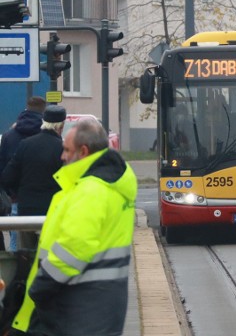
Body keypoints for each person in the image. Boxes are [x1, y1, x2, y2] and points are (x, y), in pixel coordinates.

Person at [10, 118, 138, 336]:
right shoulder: (111, 182)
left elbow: (74, 247)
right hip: (101, 303)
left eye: (67, 150)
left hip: (77, 304)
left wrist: (39, 287)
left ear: (84, 151)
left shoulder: (91, 190)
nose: (62, 156)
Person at [2, 105, 65, 248]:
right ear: (61, 126)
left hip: (26, 212)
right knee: (49, 257)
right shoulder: (62, 149)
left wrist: (18, 193)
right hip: (52, 212)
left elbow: (7, 177)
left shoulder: (25, 145)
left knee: (26, 255)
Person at [0, 97, 47, 252]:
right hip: (46, 200)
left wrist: (11, 193)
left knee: (17, 245)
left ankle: (16, 274)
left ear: (27, 108)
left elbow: (4, 170)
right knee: (45, 248)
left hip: (17, 198)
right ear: (43, 110)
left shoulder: (9, 135)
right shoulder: (50, 138)